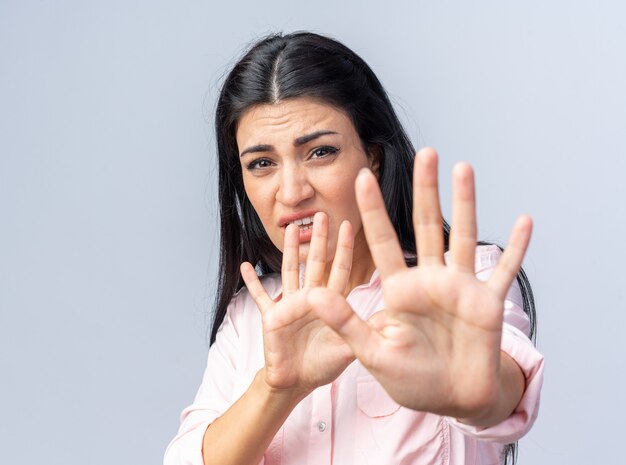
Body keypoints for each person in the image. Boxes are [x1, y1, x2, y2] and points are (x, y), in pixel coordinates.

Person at [164, 31, 544, 465]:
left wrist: (473, 386)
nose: (291, 191)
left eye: (321, 152)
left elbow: (500, 387)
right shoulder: (252, 315)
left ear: (373, 156)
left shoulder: (461, 279)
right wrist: (276, 386)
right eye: (261, 163)